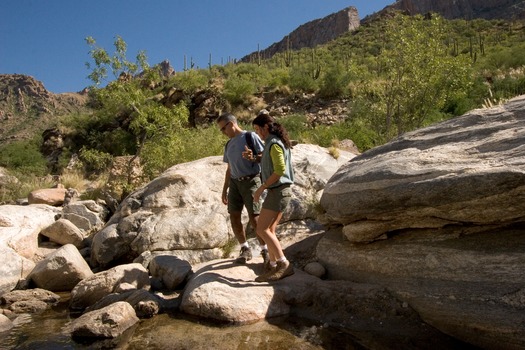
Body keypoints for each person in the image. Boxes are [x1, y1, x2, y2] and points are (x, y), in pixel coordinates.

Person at [243, 111, 295, 282]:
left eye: (258, 129)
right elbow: (272, 162)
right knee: (270, 230)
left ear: (266, 127)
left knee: (262, 229)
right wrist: (255, 158)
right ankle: (272, 266)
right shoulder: (276, 143)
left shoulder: (273, 143)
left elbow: (279, 170)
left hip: (278, 191)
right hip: (280, 192)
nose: (257, 133)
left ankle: (283, 263)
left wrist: (261, 188)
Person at [217, 113, 269, 264]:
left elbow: (263, 155)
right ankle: (245, 249)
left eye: (223, 129)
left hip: (251, 180)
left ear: (231, 124)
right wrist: (225, 188)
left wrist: (253, 157)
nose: (223, 132)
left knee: (255, 217)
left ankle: (265, 250)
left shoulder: (250, 137)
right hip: (235, 183)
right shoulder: (228, 145)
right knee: (234, 215)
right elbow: (229, 168)